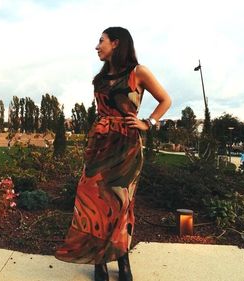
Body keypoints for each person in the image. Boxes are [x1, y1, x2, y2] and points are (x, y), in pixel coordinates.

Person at [54, 27, 171, 281]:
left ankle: (123, 260)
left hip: (127, 145)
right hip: (100, 143)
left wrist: (148, 123)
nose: (97, 46)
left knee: (121, 203)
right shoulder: (99, 79)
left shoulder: (138, 72)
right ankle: (99, 261)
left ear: (116, 43)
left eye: (101, 41)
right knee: (93, 202)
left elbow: (165, 100)